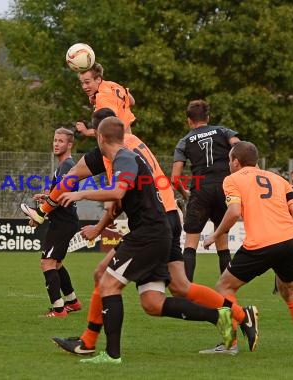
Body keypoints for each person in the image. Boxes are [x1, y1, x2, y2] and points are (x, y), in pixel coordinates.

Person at [48, 109, 256, 357]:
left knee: (106, 278)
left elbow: (117, 193)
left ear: (99, 136)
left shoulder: (123, 156)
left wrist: (75, 197)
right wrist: (99, 226)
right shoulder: (130, 151)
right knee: (159, 299)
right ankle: (233, 315)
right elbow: (121, 200)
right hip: (163, 218)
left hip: (155, 226)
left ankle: (93, 344)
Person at [202, 141, 293, 356]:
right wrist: (286, 237)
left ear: (236, 162)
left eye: (229, 160)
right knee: (289, 291)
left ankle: (230, 344)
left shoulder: (232, 179)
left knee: (224, 287)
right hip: (289, 241)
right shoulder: (279, 179)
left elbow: (235, 211)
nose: (229, 164)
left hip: (260, 244)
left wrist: (215, 235)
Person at [171, 99, 240, 282]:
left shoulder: (184, 142)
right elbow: (239, 146)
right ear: (208, 117)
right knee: (223, 246)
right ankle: (228, 294)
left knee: (190, 245)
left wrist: (186, 195)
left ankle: (185, 295)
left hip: (201, 191)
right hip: (225, 189)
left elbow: (175, 179)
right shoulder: (224, 131)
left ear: (189, 120)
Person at [30, 128, 82, 317]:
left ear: (70, 145)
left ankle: (58, 309)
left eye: (61, 141)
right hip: (64, 220)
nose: (56, 144)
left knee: (47, 263)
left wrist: (39, 214)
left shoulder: (67, 165)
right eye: (55, 140)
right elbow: (60, 194)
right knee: (56, 263)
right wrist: (46, 197)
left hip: (63, 222)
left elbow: (60, 198)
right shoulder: (63, 166)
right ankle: (72, 302)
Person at [74, 62, 135, 137]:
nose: (84, 87)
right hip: (131, 139)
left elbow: (110, 128)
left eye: (87, 82)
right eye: (82, 83)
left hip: (120, 142)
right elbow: (132, 102)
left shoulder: (102, 97)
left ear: (98, 79)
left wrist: (86, 132)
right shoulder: (111, 84)